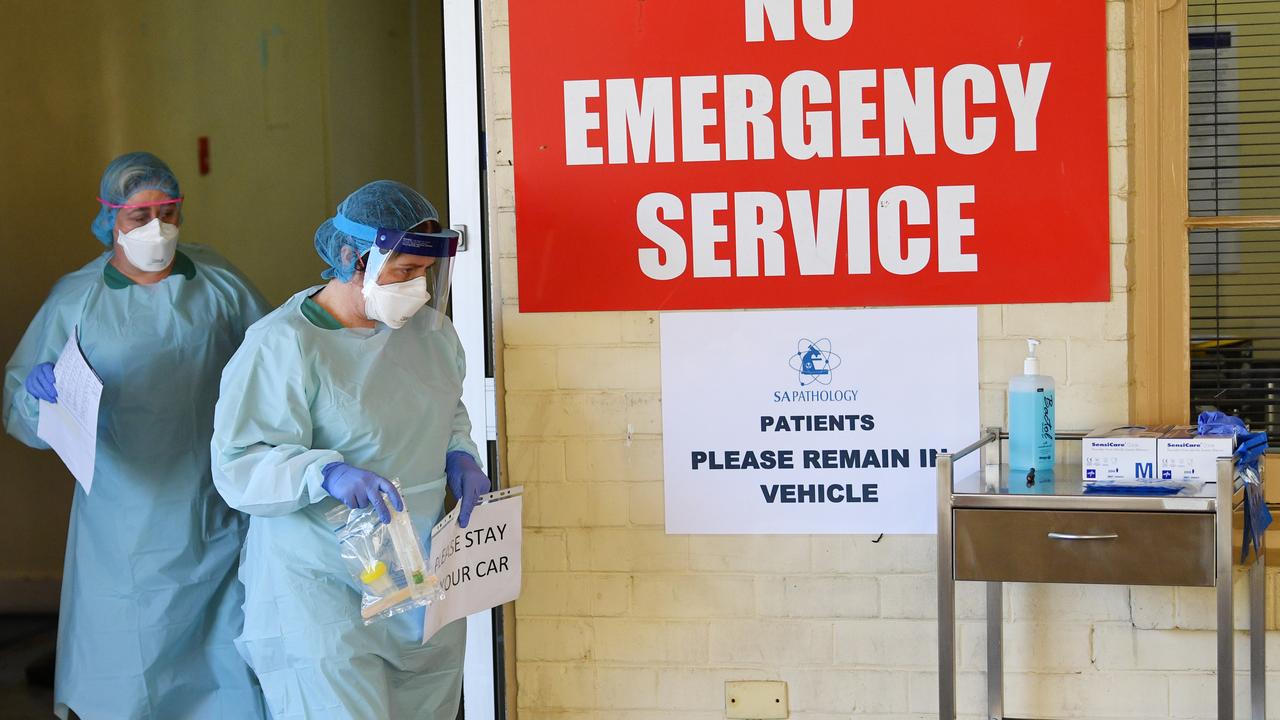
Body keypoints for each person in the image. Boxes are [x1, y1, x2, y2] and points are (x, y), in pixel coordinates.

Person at [2, 151, 271, 719]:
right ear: (109, 221)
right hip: (123, 526)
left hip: (214, 512)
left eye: (169, 212)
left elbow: (276, 365)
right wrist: (38, 394)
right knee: (129, 670)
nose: (158, 228)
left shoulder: (218, 285)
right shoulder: (77, 300)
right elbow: (18, 402)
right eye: (140, 216)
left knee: (226, 667)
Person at [211, 180, 491, 719]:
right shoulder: (283, 345)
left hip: (416, 582)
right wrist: (324, 475)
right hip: (321, 589)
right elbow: (238, 461)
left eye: (424, 273)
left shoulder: (430, 335)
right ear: (350, 258)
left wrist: (460, 453)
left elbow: (444, 407)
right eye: (404, 272)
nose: (419, 288)